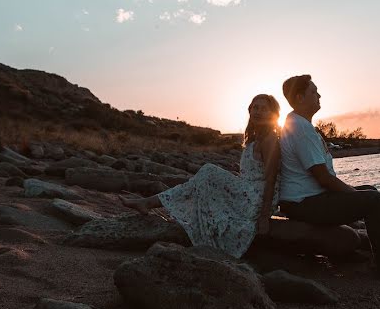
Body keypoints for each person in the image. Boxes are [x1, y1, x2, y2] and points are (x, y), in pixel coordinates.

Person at [119, 94, 281, 258]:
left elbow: (271, 179)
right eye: (255, 107)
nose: (258, 111)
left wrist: (263, 218)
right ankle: (150, 203)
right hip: (248, 193)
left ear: (272, 114)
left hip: (256, 201)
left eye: (264, 108)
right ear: (250, 110)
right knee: (203, 181)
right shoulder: (255, 139)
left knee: (208, 171)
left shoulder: (270, 140)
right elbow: (254, 173)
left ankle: (149, 202)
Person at [277, 74, 380, 276]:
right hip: (304, 203)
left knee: (371, 192)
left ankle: (370, 250)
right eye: (314, 92)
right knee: (375, 201)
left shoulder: (299, 124)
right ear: (299, 98)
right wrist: (351, 193)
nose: (319, 95)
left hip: (307, 198)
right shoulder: (299, 128)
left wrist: (353, 194)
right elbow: (323, 178)